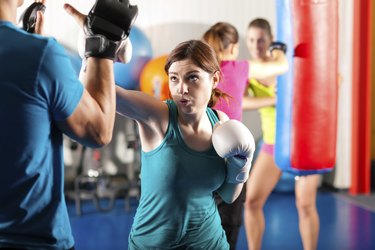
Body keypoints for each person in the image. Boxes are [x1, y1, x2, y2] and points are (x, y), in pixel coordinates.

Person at [0, 0, 137, 249]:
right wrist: (101, 44)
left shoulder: (34, 55)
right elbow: (98, 131)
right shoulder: (38, 55)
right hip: (32, 241)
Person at [115, 39, 255, 249]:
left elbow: (228, 195)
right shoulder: (158, 116)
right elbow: (103, 94)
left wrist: (242, 166)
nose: (182, 89)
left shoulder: (221, 123)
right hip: (154, 244)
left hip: (210, 242)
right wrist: (97, 50)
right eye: (174, 79)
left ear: (214, 78)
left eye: (193, 78)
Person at [202, 22, 288, 250]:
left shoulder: (204, 70)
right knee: (228, 223)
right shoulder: (238, 66)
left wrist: (272, 100)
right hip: (229, 156)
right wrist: (278, 46)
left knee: (202, 223)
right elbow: (282, 65)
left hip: (199, 153)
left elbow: (235, 99)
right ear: (234, 47)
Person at [242, 18, 321, 250]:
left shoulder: (284, 64)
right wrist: (273, 99)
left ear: (270, 39)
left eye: (261, 39)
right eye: (252, 40)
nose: (257, 45)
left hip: (303, 144)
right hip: (273, 144)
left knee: (305, 205)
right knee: (252, 202)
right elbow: (241, 101)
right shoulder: (248, 71)